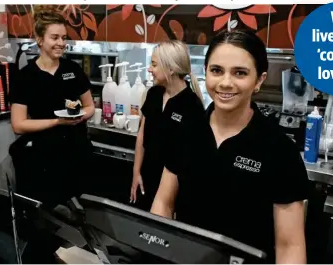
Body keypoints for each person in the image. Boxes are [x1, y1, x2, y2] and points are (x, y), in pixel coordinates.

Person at [150, 29, 309, 264]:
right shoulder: (186, 130)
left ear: (259, 80)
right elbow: (163, 203)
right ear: (205, 73)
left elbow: (290, 246)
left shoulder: (279, 149)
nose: (226, 83)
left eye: (240, 73)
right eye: (217, 71)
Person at [8, 5, 95, 263]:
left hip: (76, 155)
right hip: (42, 163)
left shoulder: (72, 69)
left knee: (81, 221)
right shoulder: (26, 77)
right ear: (40, 39)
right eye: (55, 37)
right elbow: (19, 124)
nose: (61, 43)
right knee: (46, 228)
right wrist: (57, 122)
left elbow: (90, 106)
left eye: (64, 38)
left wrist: (81, 116)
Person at [130, 40, 205, 211]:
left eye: (154, 64)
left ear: (171, 69)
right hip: (146, 178)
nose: (149, 69)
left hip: (174, 189)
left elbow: (189, 162)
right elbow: (142, 135)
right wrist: (136, 172)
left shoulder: (192, 106)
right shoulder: (154, 94)